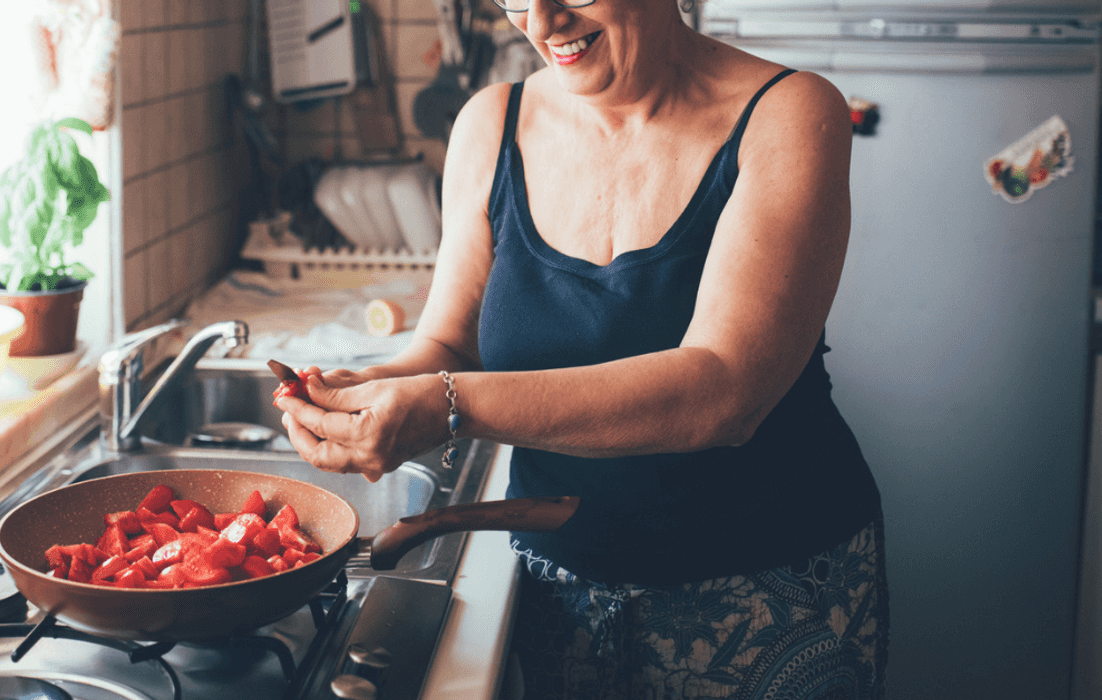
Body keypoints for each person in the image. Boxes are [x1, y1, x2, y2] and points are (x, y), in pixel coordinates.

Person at [273, 0, 888, 697]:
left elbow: (723, 394)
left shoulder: (789, 113)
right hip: (555, 589)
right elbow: (449, 343)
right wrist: (371, 392)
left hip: (768, 587)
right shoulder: (489, 122)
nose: (539, 22)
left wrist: (444, 404)